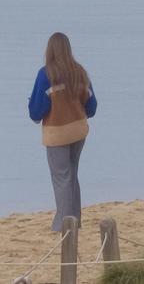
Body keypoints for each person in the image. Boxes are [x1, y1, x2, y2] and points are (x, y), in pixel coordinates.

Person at [28, 32, 98, 233]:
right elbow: (92, 106)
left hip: (57, 133)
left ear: (50, 50)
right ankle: (75, 219)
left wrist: (35, 113)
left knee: (61, 177)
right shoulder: (80, 72)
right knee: (72, 174)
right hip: (78, 130)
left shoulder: (46, 74)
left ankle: (64, 224)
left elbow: (36, 110)